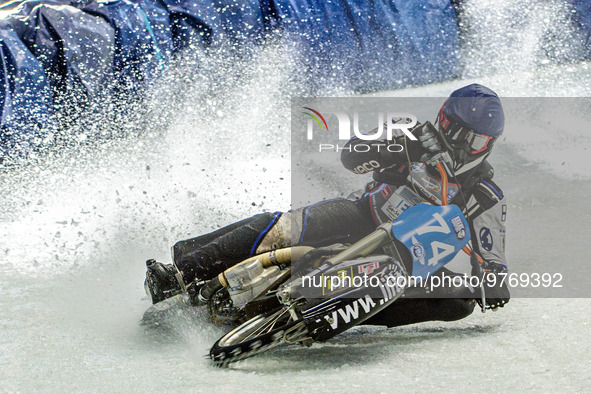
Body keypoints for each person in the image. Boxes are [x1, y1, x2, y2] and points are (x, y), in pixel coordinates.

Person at [144, 83, 510, 327]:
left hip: (408, 260)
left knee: (461, 301)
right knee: (282, 228)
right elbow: (351, 155)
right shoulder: (409, 129)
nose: (460, 144)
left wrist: (493, 284)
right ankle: (180, 272)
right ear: (442, 117)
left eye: (473, 140)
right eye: (453, 127)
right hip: (361, 216)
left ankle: (346, 315)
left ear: (489, 144)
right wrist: (403, 147)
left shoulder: (486, 195)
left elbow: (494, 259)